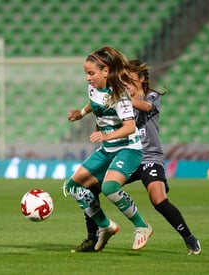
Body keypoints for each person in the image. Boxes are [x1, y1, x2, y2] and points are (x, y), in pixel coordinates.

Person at [68, 59, 201, 255]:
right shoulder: (118, 98)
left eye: (130, 80)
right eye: (124, 80)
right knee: (89, 187)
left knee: (158, 199)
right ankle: (93, 237)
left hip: (148, 158)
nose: (126, 83)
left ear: (142, 79)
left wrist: (120, 98)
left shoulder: (151, 96)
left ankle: (190, 239)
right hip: (124, 153)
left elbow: (146, 107)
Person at [64, 47, 153, 252]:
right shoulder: (94, 87)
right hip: (108, 149)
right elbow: (94, 102)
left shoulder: (119, 93)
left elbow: (130, 127)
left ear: (106, 70)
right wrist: (81, 113)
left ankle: (142, 226)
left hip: (128, 148)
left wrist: (105, 135)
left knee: (110, 187)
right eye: (86, 73)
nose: (88, 78)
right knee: (74, 187)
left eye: (91, 73)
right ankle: (105, 226)